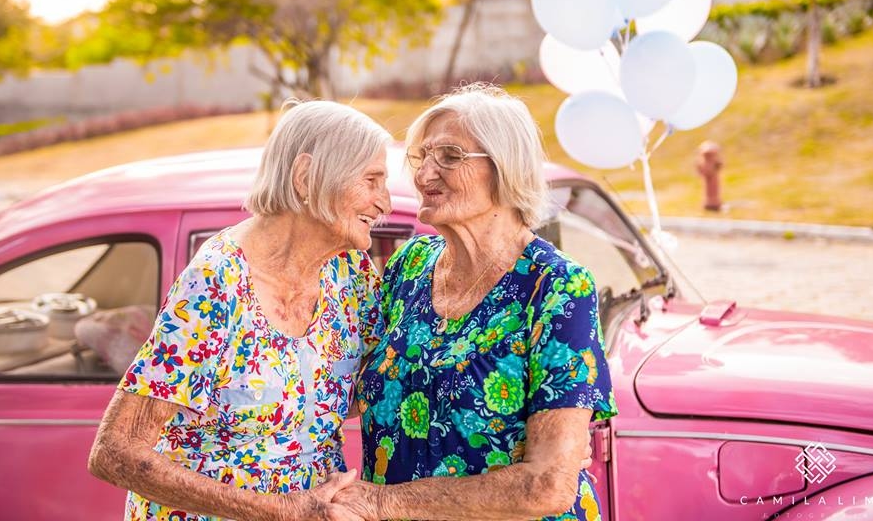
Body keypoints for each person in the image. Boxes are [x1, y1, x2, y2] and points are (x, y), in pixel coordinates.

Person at [88, 100, 393, 521]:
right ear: (306, 177)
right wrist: (283, 509)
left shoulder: (350, 272)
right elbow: (115, 451)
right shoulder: (218, 282)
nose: (385, 202)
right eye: (372, 180)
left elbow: (360, 388)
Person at [339, 84, 618, 521]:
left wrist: (381, 503)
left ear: (505, 168)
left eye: (449, 156)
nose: (425, 174)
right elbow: (343, 386)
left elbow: (548, 486)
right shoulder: (409, 267)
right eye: (421, 157)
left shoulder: (557, 287)